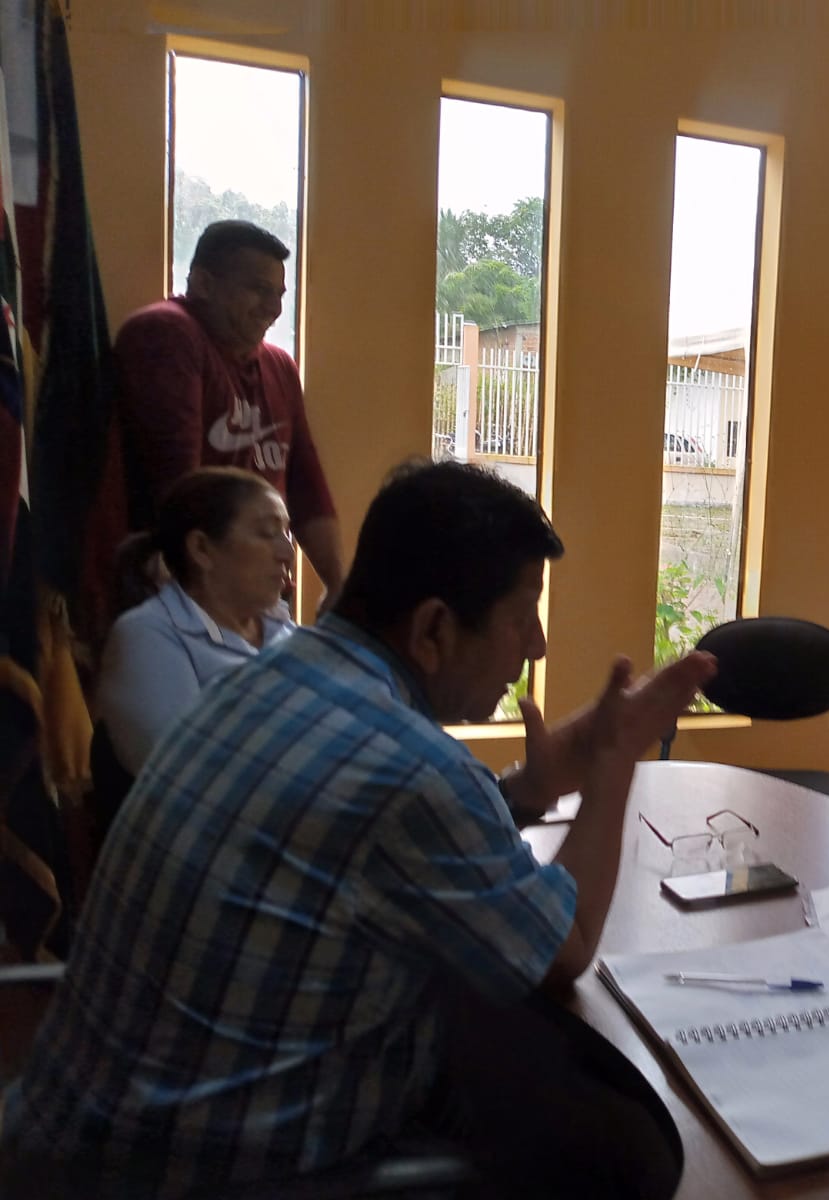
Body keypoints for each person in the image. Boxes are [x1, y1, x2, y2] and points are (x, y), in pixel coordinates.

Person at [0, 460, 716, 1199]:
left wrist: (528, 790)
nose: (535, 645)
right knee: (612, 1143)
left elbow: (366, 836)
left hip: (62, 1144)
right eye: (522, 614)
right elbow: (562, 949)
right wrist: (613, 757)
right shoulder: (417, 770)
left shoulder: (261, 677)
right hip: (196, 1176)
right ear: (433, 628)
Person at [114, 219, 344, 604]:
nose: (273, 308)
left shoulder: (280, 367)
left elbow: (306, 484)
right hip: (184, 593)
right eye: (258, 289)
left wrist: (337, 586)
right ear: (203, 284)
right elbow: (178, 486)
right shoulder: (166, 333)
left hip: (260, 598)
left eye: (279, 294)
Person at [96, 467, 295, 777]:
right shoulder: (148, 635)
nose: (287, 552)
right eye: (268, 533)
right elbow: (187, 772)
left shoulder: (288, 632)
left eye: (286, 533)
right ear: (201, 549)